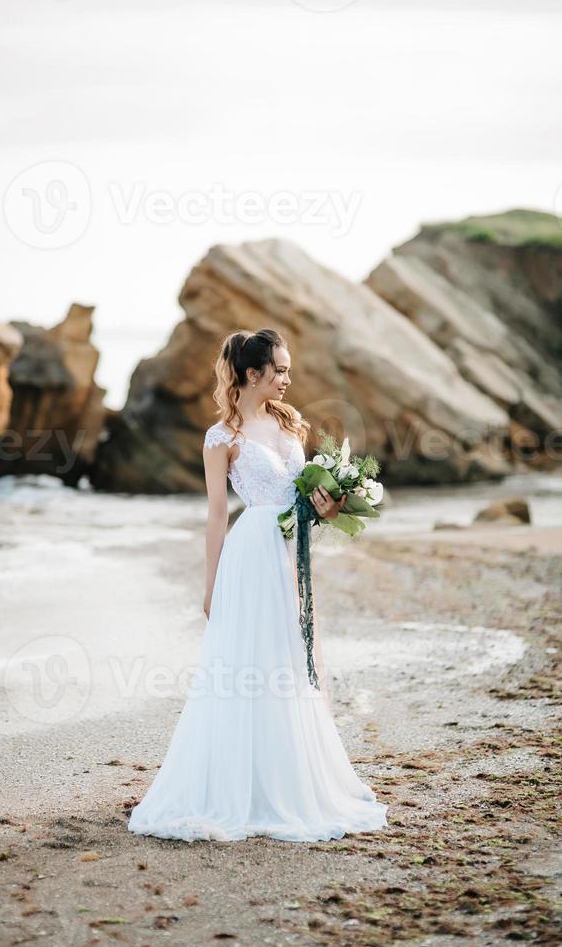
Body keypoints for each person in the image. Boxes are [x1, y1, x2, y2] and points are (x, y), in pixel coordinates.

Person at [127, 328, 388, 842]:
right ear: (252, 374)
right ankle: (234, 785)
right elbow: (217, 516)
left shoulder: (290, 426)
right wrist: (210, 584)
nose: (288, 379)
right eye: (281, 370)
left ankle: (284, 779)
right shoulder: (221, 437)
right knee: (245, 662)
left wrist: (332, 506)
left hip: (286, 554)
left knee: (286, 659)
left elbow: (304, 503)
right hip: (249, 555)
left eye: (288, 370)